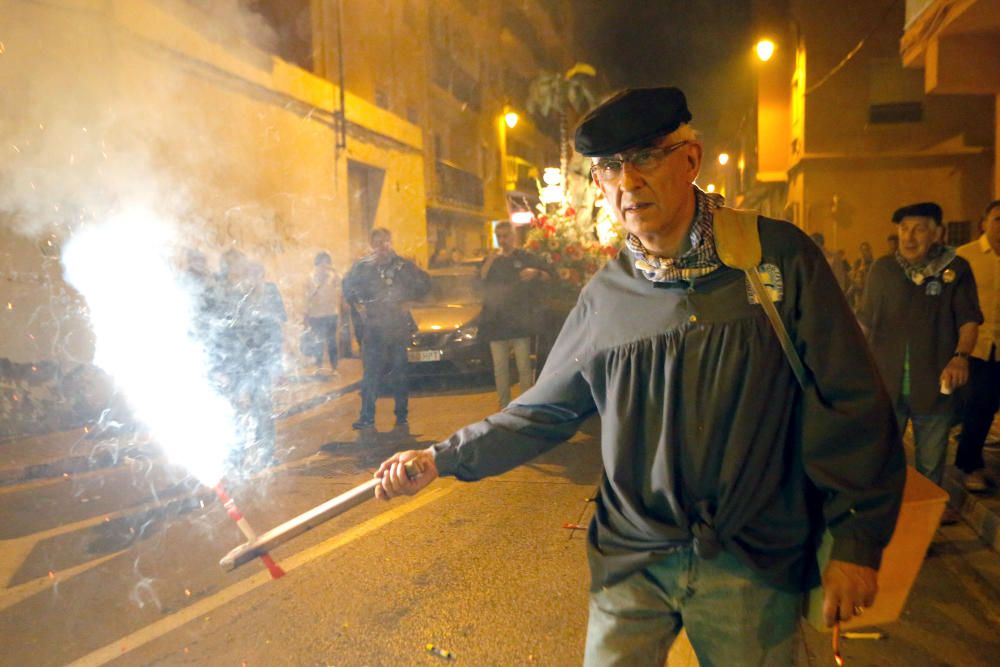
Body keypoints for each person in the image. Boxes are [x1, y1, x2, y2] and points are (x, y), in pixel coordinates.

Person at [373, 87, 905, 666]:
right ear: (598, 185)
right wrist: (439, 457)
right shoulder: (605, 297)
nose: (627, 182)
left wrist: (856, 540)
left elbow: (851, 398)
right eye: (608, 169)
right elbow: (542, 412)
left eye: (645, 158)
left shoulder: (774, 260)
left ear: (690, 160)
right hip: (632, 562)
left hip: (750, 561)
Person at [859, 202, 981, 496]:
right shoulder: (883, 270)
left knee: (930, 467)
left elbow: (968, 320)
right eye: (903, 229)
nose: (909, 237)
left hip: (935, 386)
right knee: (880, 464)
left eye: (919, 229)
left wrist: (960, 357)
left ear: (937, 232)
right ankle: (886, 532)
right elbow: (864, 324)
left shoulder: (955, 269)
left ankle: (926, 533)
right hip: (886, 386)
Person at [343, 227, 430, 430]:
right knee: (370, 373)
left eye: (385, 241)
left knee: (399, 372)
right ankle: (367, 416)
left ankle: (401, 415)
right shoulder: (363, 267)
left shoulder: (402, 265)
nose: (382, 246)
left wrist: (410, 300)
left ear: (390, 242)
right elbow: (347, 286)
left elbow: (425, 283)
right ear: (372, 244)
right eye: (378, 242)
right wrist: (357, 304)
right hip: (373, 326)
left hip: (396, 325)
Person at [479, 221, 553, 407]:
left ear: (514, 237)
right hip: (496, 321)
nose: (503, 240)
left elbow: (549, 276)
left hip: (520, 320)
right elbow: (479, 282)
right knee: (500, 369)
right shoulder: (492, 260)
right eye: (499, 236)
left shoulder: (526, 257)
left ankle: (525, 406)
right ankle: (504, 407)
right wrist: (488, 262)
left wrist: (535, 272)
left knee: (524, 367)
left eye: (506, 236)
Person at [954, 200, 1000, 492]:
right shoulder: (965, 257)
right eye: (997, 219)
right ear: (984, 222)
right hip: (978, 348)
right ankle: (969, 465)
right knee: (979, 409)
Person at [304, 251, 342, 376]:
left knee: (332, 342)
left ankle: (334, 367)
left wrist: (334, 272)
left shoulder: (333, 276)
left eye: (327, 262)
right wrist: (305, 314)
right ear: (317, 263)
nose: (324, 265)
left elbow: (340, 285)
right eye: (322, 262)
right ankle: (319, 367)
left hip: (331, 313)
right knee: (318, 342)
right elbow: (307, 297)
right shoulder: (310, 277)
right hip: (316, 315)